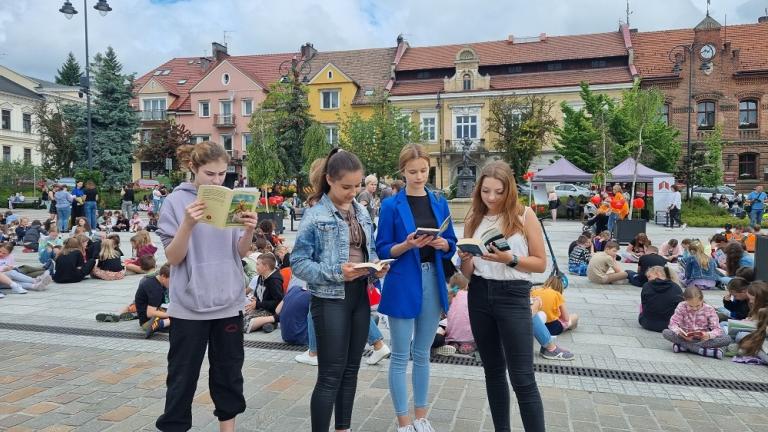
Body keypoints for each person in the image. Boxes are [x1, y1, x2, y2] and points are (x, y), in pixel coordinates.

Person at [154, 141, 258, 432]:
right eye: (210, 174)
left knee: (228, 374)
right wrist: (187, 224)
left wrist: (249, 229)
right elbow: (174, 258)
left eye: (222, 174)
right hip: (189, 305)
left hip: (228, 301)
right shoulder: (175, 203)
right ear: (193, 169)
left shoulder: (231, 199)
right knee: (182, 376)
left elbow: (240, 252)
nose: (216, 180)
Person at [291, 148, 387, 432]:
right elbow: (297, 263)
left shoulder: (361, 211)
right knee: (330, 374)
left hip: (359, 294)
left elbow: (365, 250)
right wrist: (335, 273)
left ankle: (343, 428)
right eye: (347, 186)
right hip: (330, 299)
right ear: (330, 179)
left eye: (357, 186)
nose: (353, 192)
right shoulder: (315, 214)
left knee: (351, 370)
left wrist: (377, 267)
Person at [457, 161, 547, 432]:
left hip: (513, 294)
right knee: (493, 372)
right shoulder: (474, 216)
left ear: (509, 189)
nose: (492, 198)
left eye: (498, 192)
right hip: (480, 293)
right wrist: (465, 258)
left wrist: (510, 259)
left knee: (522, 377)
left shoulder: (524, 215)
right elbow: (468, 273)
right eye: (486, 191)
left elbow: (540, 264)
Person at [375, 144, 457, 432]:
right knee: (399, 355)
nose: (419, 176)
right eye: (413, 172)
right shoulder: (390, 205)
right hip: (402, 282)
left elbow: (452, 243)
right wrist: (407, 244)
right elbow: (382, 247)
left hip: (432, 279)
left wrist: (443, 244)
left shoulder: (438, 201)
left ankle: (421, 417)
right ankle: (403, 421)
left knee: (422, 353)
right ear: (403, 172)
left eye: (423, 170)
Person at [662, 286, 730, 359]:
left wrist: (708, 335)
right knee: (666, 332)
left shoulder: (709, 309)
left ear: (702, 299)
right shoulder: (681, 306)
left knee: (727, 338)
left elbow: (717, 329)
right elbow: (672, 324)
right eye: (691, 306)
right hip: (686, 337)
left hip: (703, 339)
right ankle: (701, 350)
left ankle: (686, 347)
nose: (694, 308)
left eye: (698, 306)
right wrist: (680, 333)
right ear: (685, 300)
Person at [243, 253, 284, 333]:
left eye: (258, 264)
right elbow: (259, 296)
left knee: (244, 325)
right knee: (238, 317)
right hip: (261, 309)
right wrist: (255, 299)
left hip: (270, 311)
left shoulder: (274, 281)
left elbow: (278, 302)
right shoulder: (260, 277)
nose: (256, 267)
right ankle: (267, 324)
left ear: (266, 267)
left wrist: (258, 304)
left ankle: (274, 320)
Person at [638, 266, 684, 332]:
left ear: (658, 273)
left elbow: (644, 303)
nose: (648, 280)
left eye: (649, 277)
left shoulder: (647, 285)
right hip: (668, 325)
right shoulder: (676, 287)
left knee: (642, 304)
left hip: (646, 323)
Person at [136, 263, 172, 338]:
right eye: (171, 280)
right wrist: (171, 314)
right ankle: (160, 324)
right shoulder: (155, 289)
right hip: (148, 322)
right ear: (163, 276)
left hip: (155, 314)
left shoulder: (156, 281)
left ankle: (163, 322)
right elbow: (150, 313)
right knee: (180, 320)